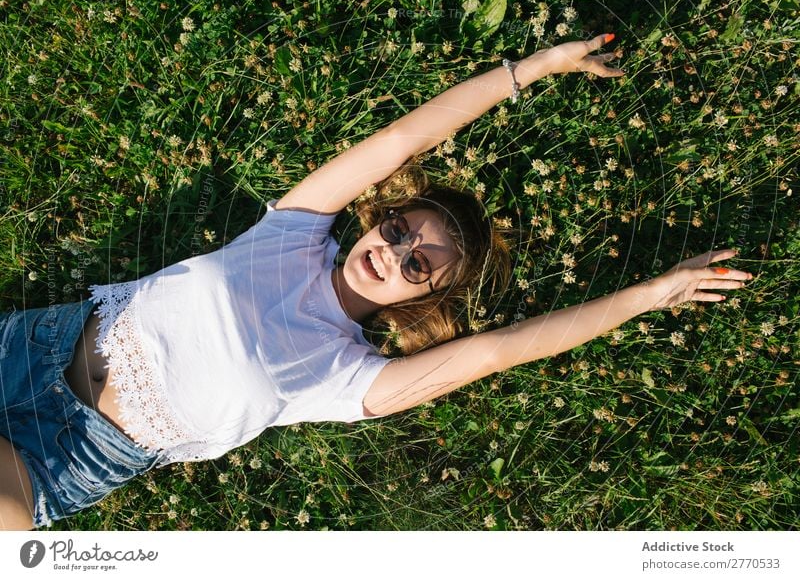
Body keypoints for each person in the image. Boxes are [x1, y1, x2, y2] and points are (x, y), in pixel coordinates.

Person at [0, 35, 752, 530]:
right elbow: (400, 140)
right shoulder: (289, 234)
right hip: (32, 353)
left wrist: (651, 294)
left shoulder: (348, 376)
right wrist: (528, 72)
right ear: (377, 218)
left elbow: (499, 352)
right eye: (397, 230)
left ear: (424, 297)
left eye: (417, 265)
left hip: (63, 458)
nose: (393, 254)